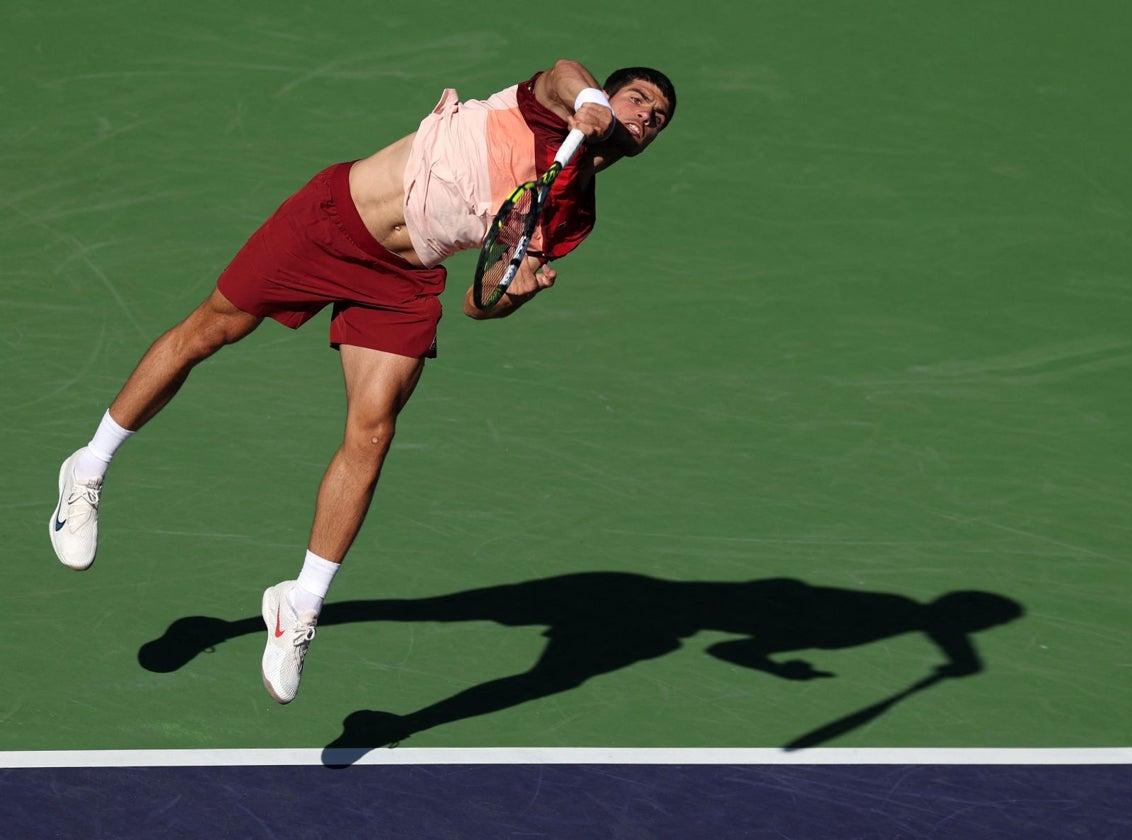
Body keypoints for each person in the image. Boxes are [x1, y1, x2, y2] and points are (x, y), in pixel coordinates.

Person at [48, 59, 677, 705]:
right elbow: (562, 73)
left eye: (656, 119)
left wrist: (512, 294)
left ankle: (301, 603)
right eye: (637, 99)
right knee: (210, 332)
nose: (643, 117)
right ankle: (89, 468)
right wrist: (591, 99)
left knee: (373, 431)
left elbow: (479, 300)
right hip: (331, 222)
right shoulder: (550, 110)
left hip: (402, 282)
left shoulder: (572, 213)